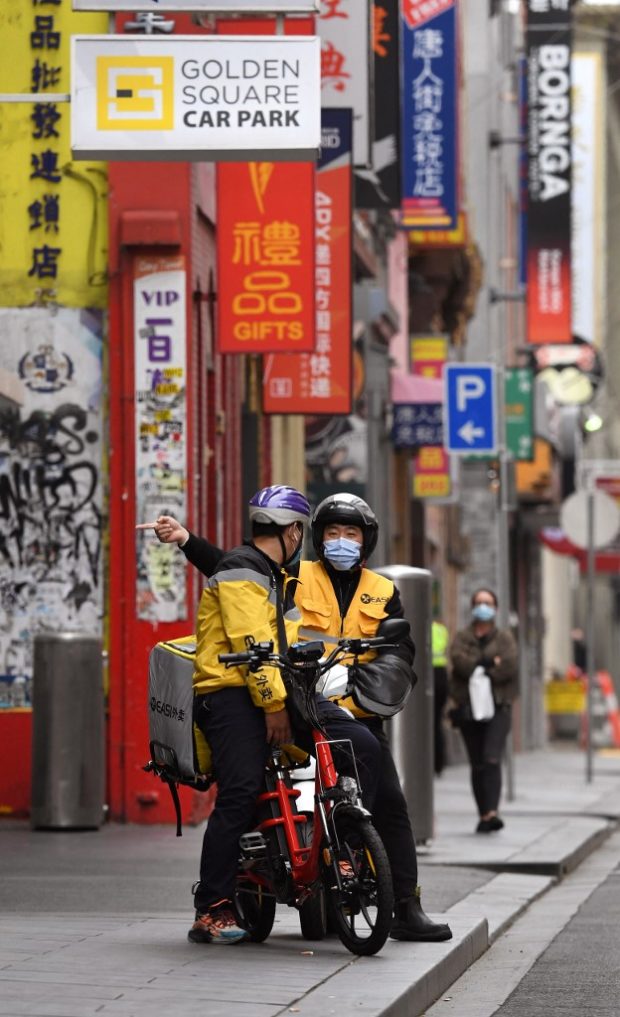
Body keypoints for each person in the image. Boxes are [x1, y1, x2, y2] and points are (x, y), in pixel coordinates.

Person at [143, 493, 453, 943]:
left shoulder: (383, 590)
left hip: (352, 707)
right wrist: (189, 540)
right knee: (245, 790)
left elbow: (400, 653)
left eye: (351, 534)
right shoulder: (289, 572)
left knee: (386, 793)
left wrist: (361, 682)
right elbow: (230, 569)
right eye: (331, 533)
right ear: (308, 536)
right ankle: (222, 899)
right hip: (287, 692)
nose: (341, 542)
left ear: (367, 541)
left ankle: (402, 901)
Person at [448, 587, 518, 833]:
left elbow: (509, 666)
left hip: (498, 707)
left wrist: (484, 667)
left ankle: (492, 813)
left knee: (491, 758)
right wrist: (487, 662)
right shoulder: (463, 636)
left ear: (496, 608)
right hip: (469, 709)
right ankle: (483, 813)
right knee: (477, 763)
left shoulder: (504, 637)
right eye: (479, 602)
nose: (483, 607)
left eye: (488, 602)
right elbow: (458, 661)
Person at [431, 616, 450, 776]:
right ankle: (439, 763)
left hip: (429, 675)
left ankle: (432, 762)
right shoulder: (441, 629)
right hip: (441, 675)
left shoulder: (421, 627)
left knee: (430, 723)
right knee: (437, 722)